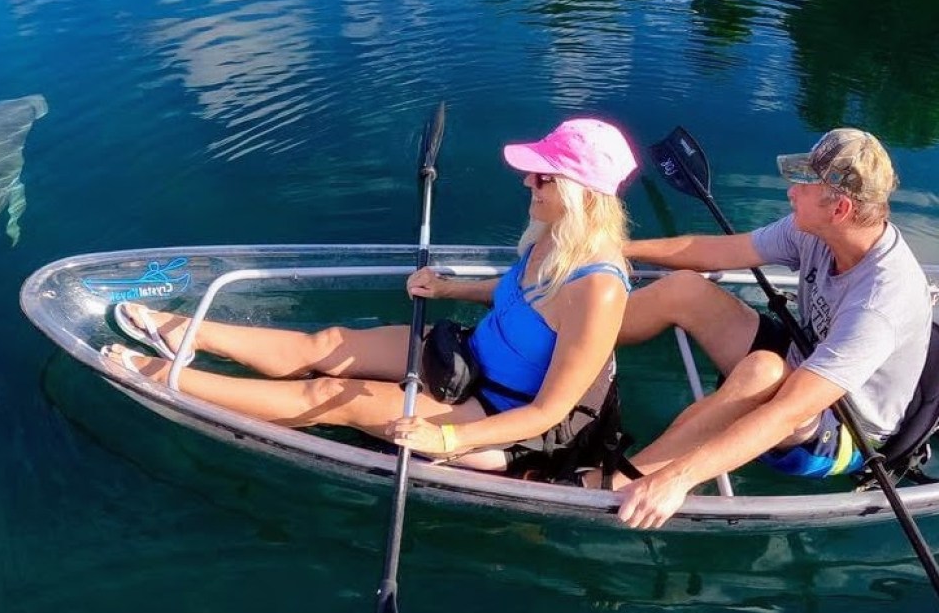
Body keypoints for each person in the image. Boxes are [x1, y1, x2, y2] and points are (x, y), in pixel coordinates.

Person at [101, 118, 638, 472]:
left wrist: (443, 442)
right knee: (329, 341)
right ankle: (178, 333)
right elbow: (519, 300)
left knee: (328, 397)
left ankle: (166, 379)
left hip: (501, 416)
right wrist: (450, 287)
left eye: (542, 178)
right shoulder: (552, 237)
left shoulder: (599, 290)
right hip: (470, 357)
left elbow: (548, 412)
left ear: (578, 195)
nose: (528, 184)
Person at [607, 128, 932, 529]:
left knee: (763, 370)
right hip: (803, 360)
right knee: (686, 288)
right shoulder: (813, 229)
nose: (791, 191)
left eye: (804, 184)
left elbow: (787, 412)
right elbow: (720, 250)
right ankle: (561, 343)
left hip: (841, 430)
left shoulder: (879, 304)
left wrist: (680, 478)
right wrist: (619, 249)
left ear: (840, 209)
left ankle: (621, 483)